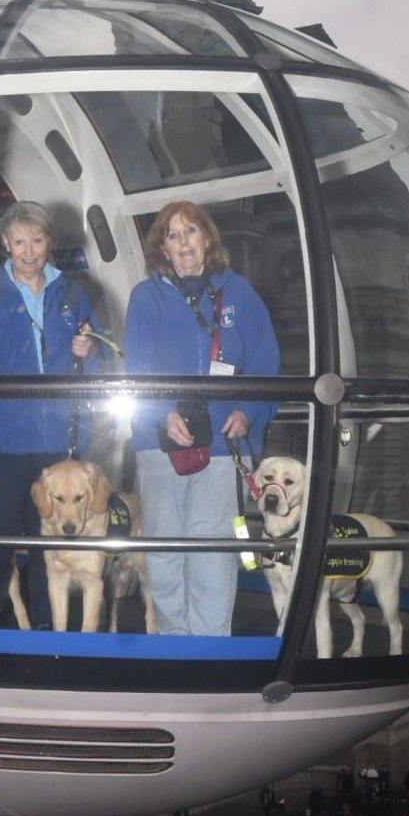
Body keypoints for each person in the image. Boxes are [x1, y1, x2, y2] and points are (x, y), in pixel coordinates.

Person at [125, 200, 279, 636]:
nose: (184, 243)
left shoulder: (240, 293)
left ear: (207, 238)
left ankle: (211, 651)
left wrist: (249, 412)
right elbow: (138, 368)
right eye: (173, 236)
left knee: (212, 551)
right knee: (165, 554)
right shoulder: (145, 297)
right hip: (160, 447)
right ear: (163, 249)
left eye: (190, 231)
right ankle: (175, 649)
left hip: (221, 446)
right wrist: (161, 414)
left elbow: (266, 364)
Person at [0, 201, 100, 629]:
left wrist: (88, 354)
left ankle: (44, 631)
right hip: (4, 439)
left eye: (37, 240)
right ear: (6, 244)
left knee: (48, 540)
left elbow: (95, 366)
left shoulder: (74, 294)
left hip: (58, 440)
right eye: (19, 242)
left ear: (49, 243)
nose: (29, 250)